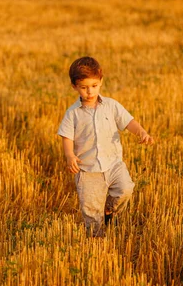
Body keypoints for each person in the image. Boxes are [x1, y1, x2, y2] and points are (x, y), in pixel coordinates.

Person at [57, 56, 154, 237]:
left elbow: (128, 122)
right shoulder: (72, 114)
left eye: (94, 86)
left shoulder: (111, 105)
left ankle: (110, 210)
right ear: (75, 86)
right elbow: (66, 136)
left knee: (126, 189)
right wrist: (70, 155)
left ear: (101, 81)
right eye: (84, 87)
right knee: (91, 209)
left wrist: (141, 132)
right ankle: (97, 241)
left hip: (113, 164)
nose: (89, 91)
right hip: (88, 169)